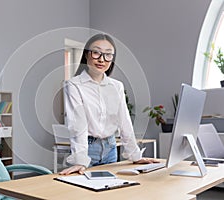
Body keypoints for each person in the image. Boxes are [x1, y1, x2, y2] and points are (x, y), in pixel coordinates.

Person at [60, 33, 158, 175]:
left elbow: (124, 122)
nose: (102, 59)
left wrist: (135, 155)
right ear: (87, 54)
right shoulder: (74, 85)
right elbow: (78, 125)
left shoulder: (117, 86)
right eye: (96, 53)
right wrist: (80, 160)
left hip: (111, 148)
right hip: (88, 149)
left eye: (108, 55)